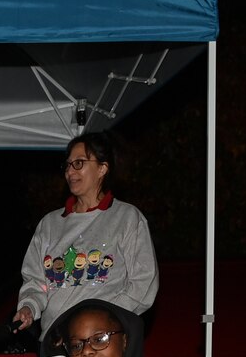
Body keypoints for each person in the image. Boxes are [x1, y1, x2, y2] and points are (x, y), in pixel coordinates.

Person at [12, 132, 158, 340]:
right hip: (56, 341)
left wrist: (106, 322)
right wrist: (28, 306)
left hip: (102, 342)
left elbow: (144, 281)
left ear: (102, 168)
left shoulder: (127, 218)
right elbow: (36, 282)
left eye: (79, 163)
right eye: (68, 165)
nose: (70, 172)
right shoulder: (50, 224)